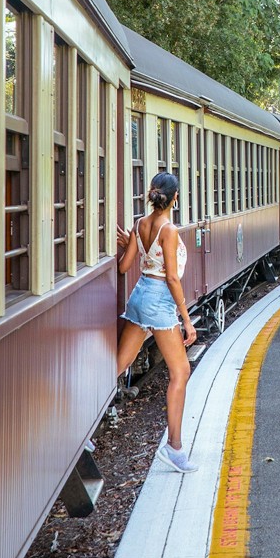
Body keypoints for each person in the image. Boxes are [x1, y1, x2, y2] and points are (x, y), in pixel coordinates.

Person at [116, 172, 198, 473]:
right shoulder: (169, 229)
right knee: (181, 371)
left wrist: (129, 244)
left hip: (139, 295)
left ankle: (81, 431)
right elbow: (173, 278)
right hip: (160, 299)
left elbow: (125, 266)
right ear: (175, 197)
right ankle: (174, 448)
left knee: (118, 364)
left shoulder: (141, 223)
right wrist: (187, 321)